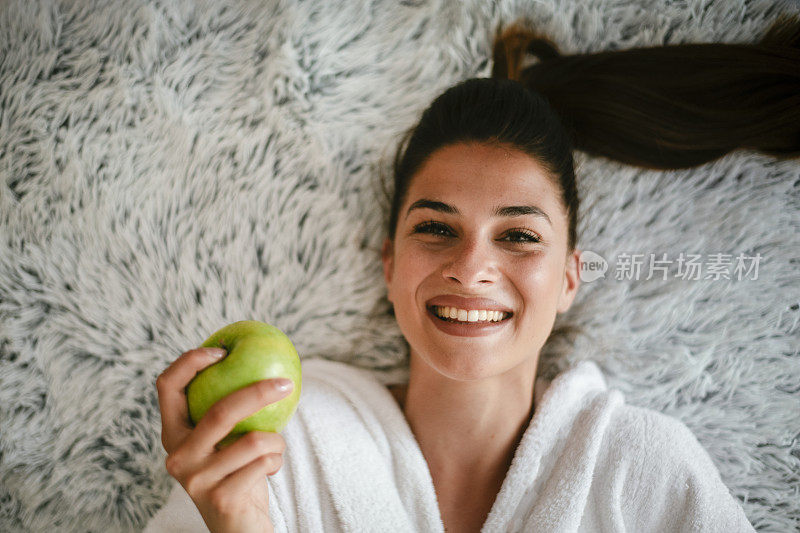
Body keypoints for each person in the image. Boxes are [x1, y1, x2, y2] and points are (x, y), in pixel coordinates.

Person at [147, 16, 800, 533]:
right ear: (390, 264)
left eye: (518, 236)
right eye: (436, 228)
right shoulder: (276, 448)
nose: (471, 267)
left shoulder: (646, 466)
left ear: (571, 278)